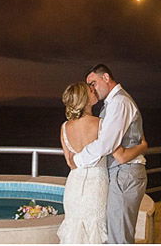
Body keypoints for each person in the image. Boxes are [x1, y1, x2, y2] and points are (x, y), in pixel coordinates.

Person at [58, 80, 147, 244]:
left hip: (74, 186)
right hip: (96, 185)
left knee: (74, 231)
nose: (93, 91)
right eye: (90, 90)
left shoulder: (64, 127)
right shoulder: (100, 124)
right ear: (84, 99)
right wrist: (142, 146)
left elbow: (71, 163)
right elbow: (120, 154)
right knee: (96, 231)